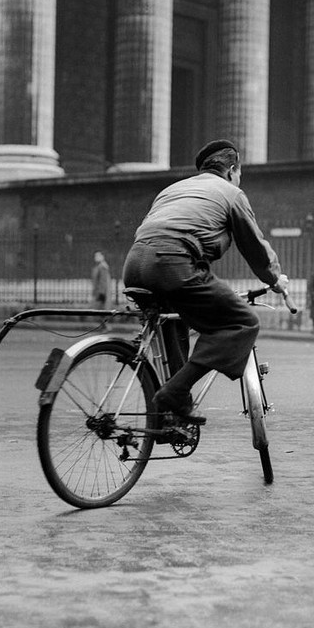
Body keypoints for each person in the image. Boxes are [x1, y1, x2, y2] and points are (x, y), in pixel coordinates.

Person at [122, 139, 288, 418]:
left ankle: (172, 414)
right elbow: (255, 248)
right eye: (239, 176)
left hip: (135, 265)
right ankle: (175, 391)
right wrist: (275, 280)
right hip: (174, 263)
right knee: (243, 322)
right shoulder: (230, 193)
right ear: (231, 170)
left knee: (173, 323)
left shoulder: (171, 190)